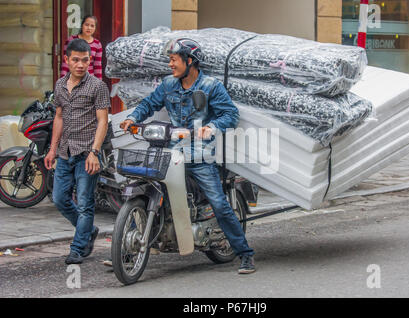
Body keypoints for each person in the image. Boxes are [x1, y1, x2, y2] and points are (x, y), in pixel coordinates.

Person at [120, 38, 256, 274]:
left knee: (219, 204)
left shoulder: (211, 86)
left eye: (174, 60)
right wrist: (133, 118)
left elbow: (230, 114)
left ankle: (245, 254)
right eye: (170, 60)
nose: (171, 64)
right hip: (170, 152)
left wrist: (211, 127)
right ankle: (128, 252)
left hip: (199, 156)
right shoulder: (167, 85)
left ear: (189, 61)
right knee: (146, 187)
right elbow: (149, 103)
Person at [45, 38, 110, 265]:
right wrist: (52, 149)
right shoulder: (60, 86)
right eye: (76, 60)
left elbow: (103, 122)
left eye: (85, 60)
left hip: (86, 154)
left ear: (90, 61)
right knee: (59, 198)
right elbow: (59, 117)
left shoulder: (98, 87)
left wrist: (95, 152)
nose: (80, 65)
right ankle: (89, 231)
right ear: (67, 60)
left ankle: (78, 248)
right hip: (65, 153)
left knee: (85, 203)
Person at [60, 15, 103, 80]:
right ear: (82, 25)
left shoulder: (97, 44)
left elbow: (98, 67)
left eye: (92, 26)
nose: (89, 28)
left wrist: (99, 85)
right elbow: (65, 63)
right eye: (86, 25)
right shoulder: (71, 40)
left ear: (95, 28)